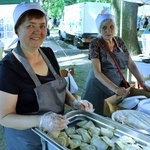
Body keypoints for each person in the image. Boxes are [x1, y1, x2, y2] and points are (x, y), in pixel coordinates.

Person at [0, 2, 94, 150]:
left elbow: (59, 87)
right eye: (30, 26)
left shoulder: (48, 53)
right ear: (17, 30)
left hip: (55, 136)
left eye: (42, 26)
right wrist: (42, 120)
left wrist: (75, 102)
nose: (38, 31)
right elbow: (5, 118)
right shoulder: (8, 67)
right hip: (26, 141)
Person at [81, 13, 150, 115]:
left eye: (111, 27)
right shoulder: (95, 44)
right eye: (104, 27)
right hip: (97, 88)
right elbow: (97, 72)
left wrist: (142, 83)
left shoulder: (119, 42)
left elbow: (131, 65)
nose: (108, 31)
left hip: (116, 89)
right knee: (95, 114)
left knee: (112, 114)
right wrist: (115, 88)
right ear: (99, 29)